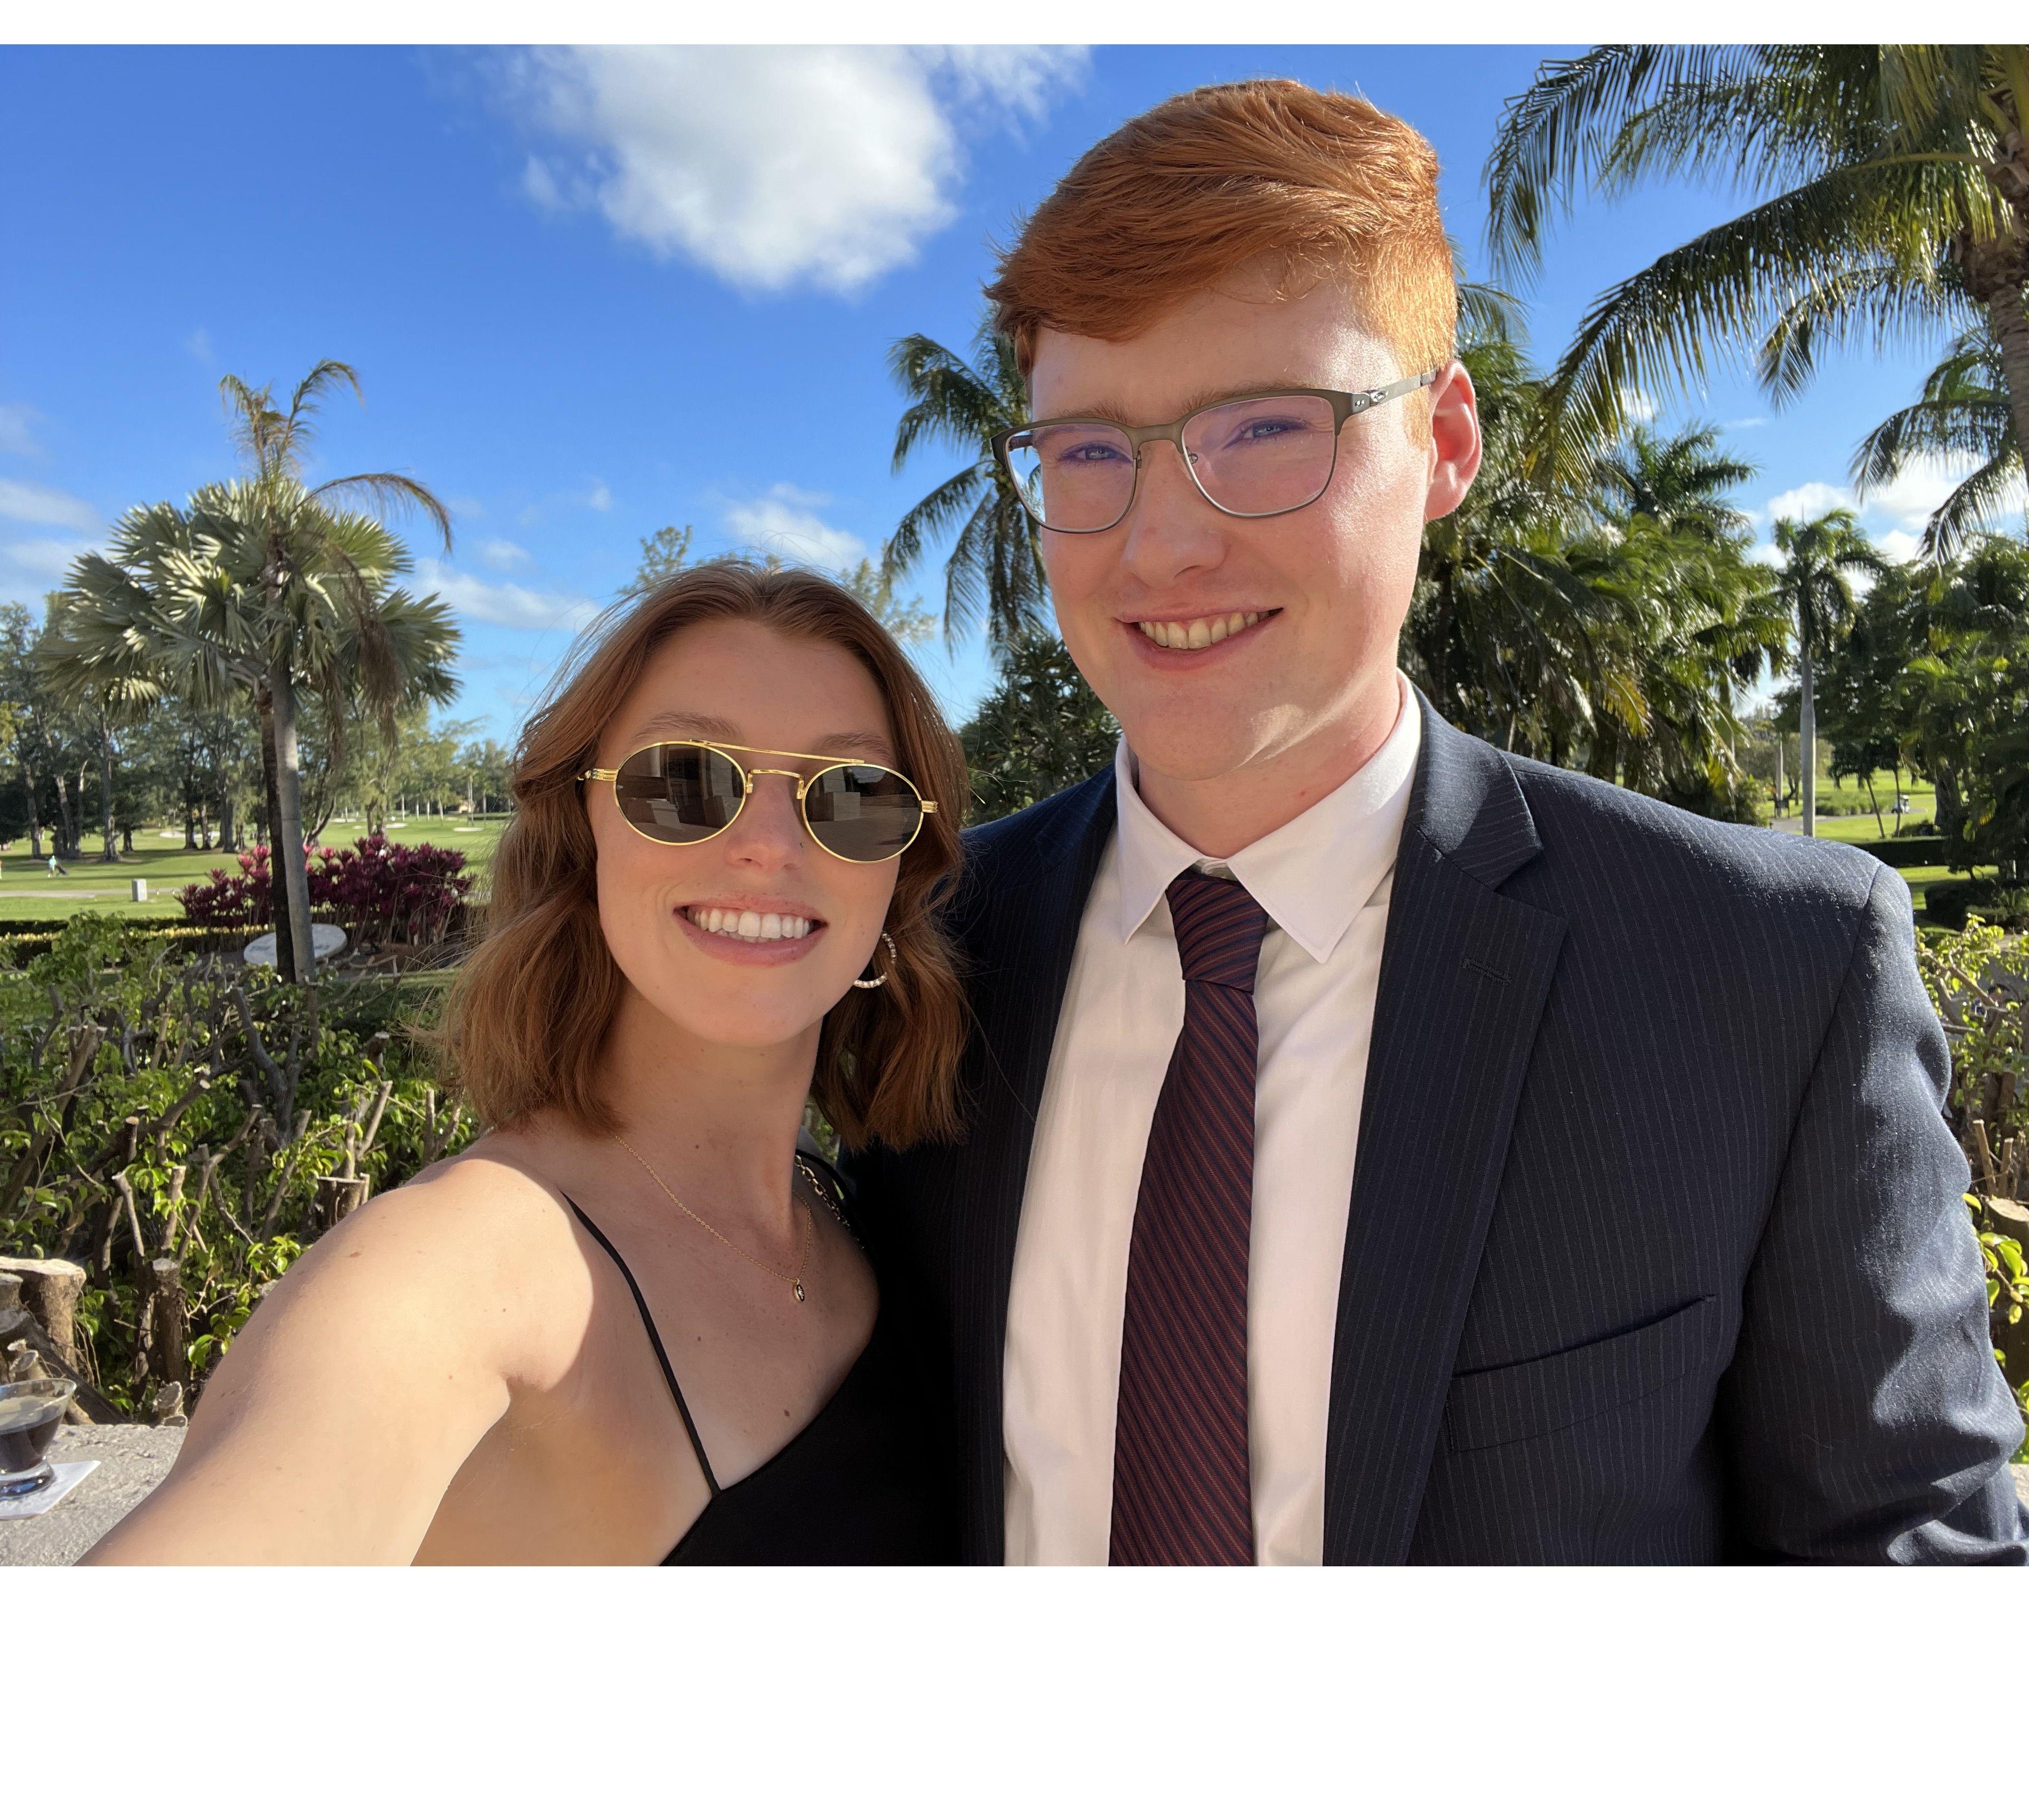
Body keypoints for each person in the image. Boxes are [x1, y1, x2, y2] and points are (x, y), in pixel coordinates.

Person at [852, 80, 2027, 1565]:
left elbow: (1910, 1536)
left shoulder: (1765, 972)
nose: (1160, 543)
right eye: (1088, 449)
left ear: (1448, 442)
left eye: (1265, 427)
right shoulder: (917, 947)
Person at [87, 564, 966, 1564]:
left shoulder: (847, 1206)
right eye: (684, 780)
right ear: (583, 825)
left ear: (901, 866)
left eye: (852, 794)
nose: (770, 845)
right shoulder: (453, 1272)